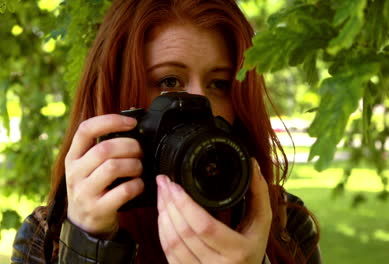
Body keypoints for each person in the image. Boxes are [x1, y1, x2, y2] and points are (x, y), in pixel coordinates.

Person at [11, 0, 321, 263]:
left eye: (219, 84)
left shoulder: (285, 222)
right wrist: (87, 245)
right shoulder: (44, 239)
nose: (202, 105)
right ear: (117, 96)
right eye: (169, 82)